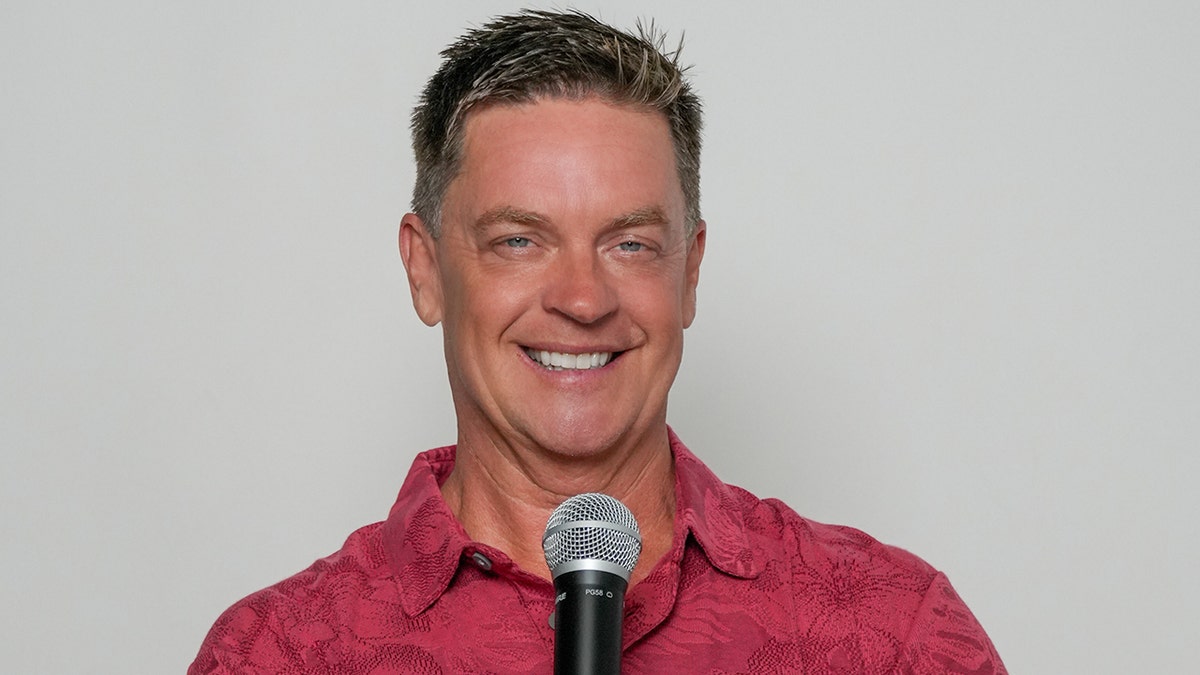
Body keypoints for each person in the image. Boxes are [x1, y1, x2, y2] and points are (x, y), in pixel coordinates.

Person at [190, 10, 1006, 674]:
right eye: (519, 240)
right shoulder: (277, 654)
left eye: (630, 244)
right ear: (426, 268)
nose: (582, 299)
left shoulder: (893, 634)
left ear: (689, 273)